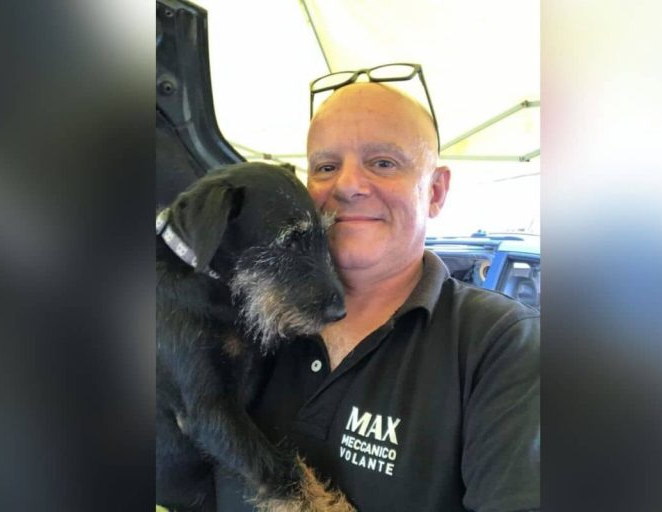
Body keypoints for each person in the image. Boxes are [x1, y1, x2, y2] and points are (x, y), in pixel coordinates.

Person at [215, 78, 540, 511]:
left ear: (435, 191)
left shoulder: (503, 344)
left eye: (383, 163)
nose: (347, 185)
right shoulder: (244, 316)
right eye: (326, 167)